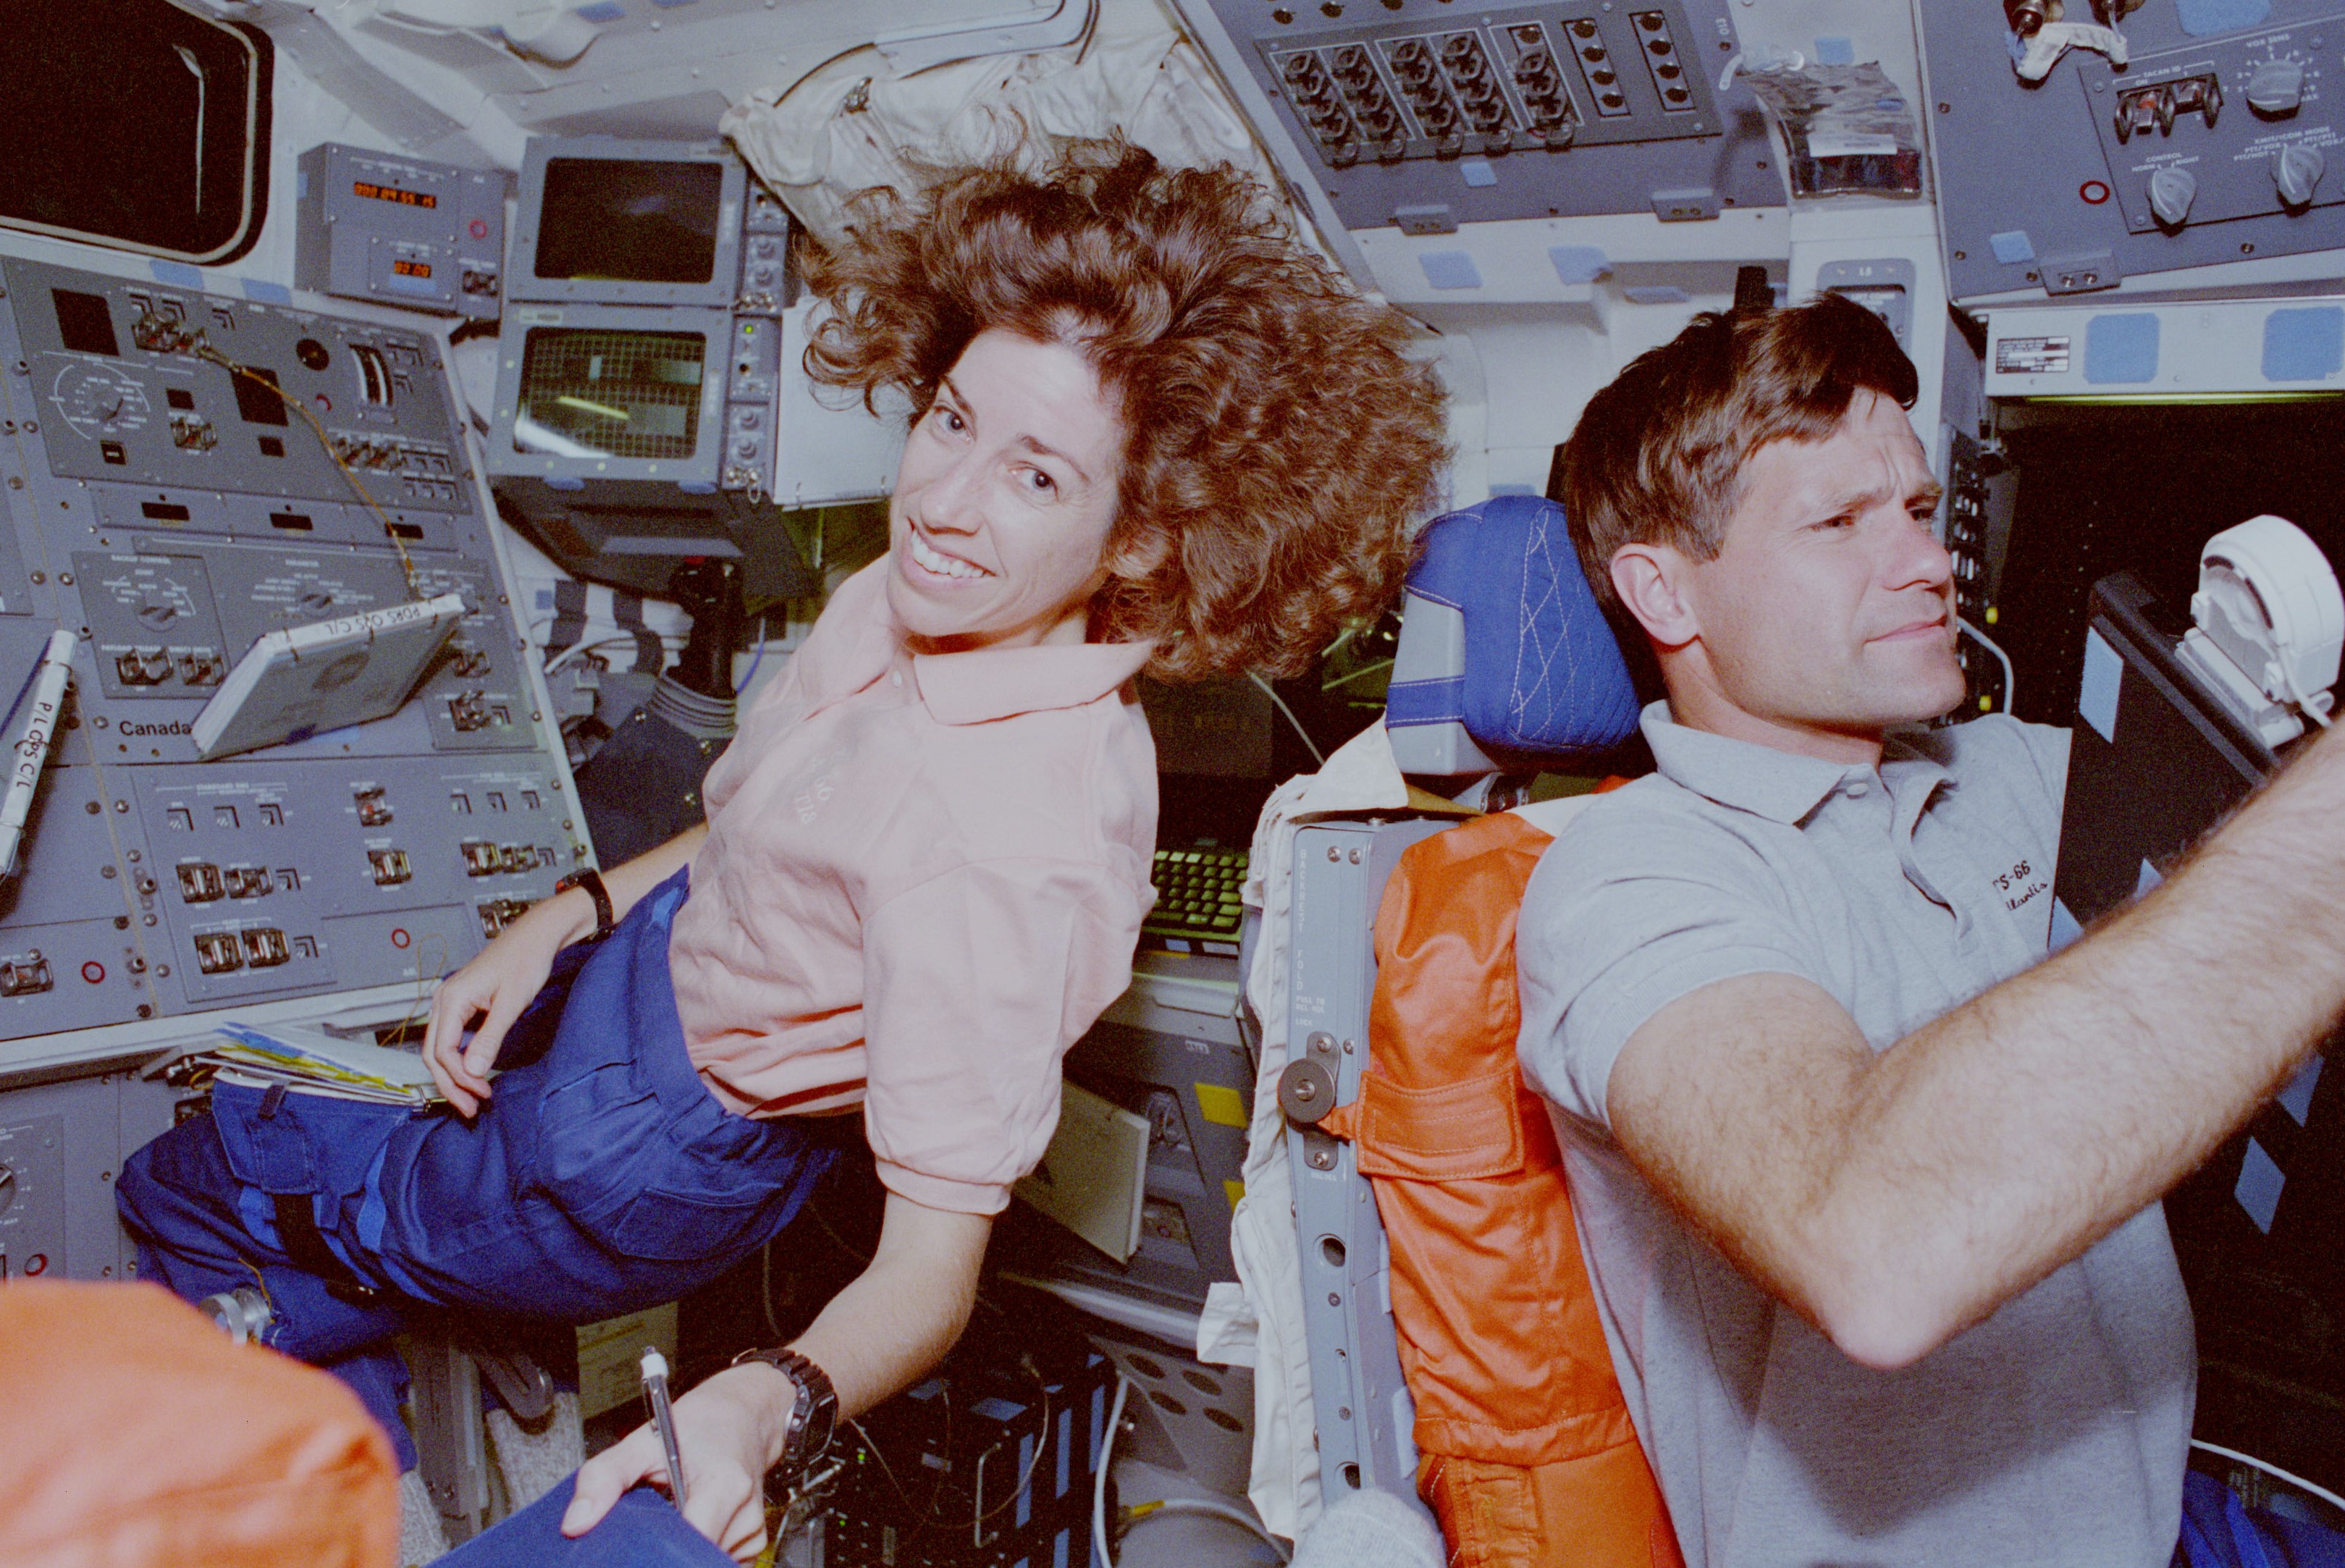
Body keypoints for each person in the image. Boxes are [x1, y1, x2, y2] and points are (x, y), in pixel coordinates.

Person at [117, 138, 1449, 1561]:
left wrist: (768, 1402)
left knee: (192, 1185)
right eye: (950, 420)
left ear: (1143, 539)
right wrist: (565, 915)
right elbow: (761, 830)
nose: (945, 501)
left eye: (1038, 477)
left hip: (647, 1147)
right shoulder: (917, 593)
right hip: (645, 977)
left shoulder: (1012, 849)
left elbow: (931, 1274)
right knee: (368, 1206)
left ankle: (308, 1499)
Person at [1516, 292, 2345, 1567]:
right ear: (1663, 589)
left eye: (1914, 510)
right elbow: (1870, 1244)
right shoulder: (1630, 880)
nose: (1924, 560)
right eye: (1839, 521)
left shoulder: (2006, 769)